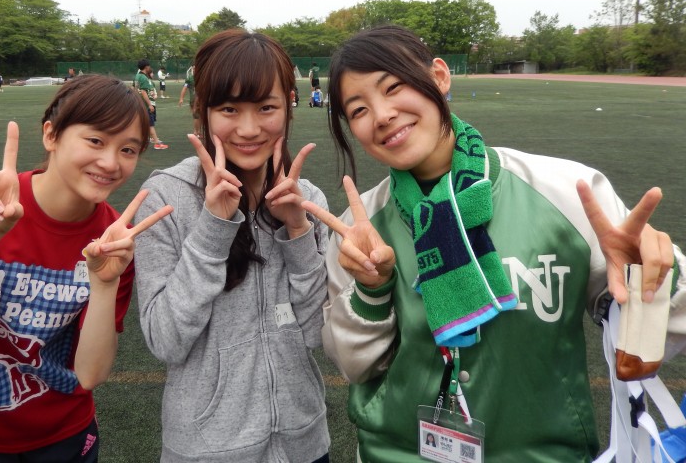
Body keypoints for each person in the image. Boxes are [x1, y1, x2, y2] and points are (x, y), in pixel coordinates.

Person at [301, 25, 686, 462]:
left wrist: (650, 277)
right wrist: (372, 291)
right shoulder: (359, 227)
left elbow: (669, 331)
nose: (383, 114)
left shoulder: (566, 192)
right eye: (359, 109)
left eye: (393, 87)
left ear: (439, 77)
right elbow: (354, 365)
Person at [0, 74, 173, 462]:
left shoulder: (113, 240)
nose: (110, 162)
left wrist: (104, 284)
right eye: (95, 141)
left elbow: (90, 375)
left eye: (128, 149)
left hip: (64, 436)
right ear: (51, 135)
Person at [134, 29, 331, 462]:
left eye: (266, 107)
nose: (248, 128)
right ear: (202, 110)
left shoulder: (309, 200)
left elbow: (319, 332)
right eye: (228, 109)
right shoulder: (165, 198)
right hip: (207, 451)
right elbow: (165, 341)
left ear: (289, 106)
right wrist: (213, 227)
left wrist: (298, 231)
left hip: (305, 444)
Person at [135, 59, 168, 150]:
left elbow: (135, 88)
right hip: (145, 104)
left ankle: (146, 139)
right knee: (150, 124)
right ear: (146, 67)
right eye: (149, 66)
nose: (150, 68)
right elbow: (143, 91)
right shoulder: (143, 78)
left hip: (140, 103)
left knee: (144, 123)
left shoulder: (138, 76)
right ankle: (157, 143)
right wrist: (149, 104)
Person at [178, 63, 200, 136]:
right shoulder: (190, 78)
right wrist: (181, 98)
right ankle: (196, 132)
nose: (195, 70)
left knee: (200, 116)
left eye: (196, 68)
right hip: (194, 100)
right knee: (196, 116)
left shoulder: (202, 77)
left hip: (201, 99)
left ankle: (198, 131)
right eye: (194, 68)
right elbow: (184, 88)